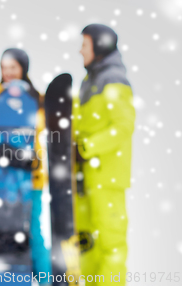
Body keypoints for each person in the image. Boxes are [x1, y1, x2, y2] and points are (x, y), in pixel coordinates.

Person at [0, 48, 51, 284]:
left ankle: (46, 279)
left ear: (23, 68)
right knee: (7, 234)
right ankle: (9, 279)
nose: (8, 73)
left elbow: (38, 130)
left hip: (32, 179)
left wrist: (21, 154)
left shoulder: (35, 99)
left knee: (32, 233)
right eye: (4, 68)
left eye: (13, 67)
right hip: (3, 181)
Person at [74, 24, 135, 286]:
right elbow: (83, 123)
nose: (80, 51)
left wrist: (88, 148)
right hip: (85, 179)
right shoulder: (90, 81)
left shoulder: (114, 80)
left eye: (84, 45)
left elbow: (123, 126)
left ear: (99, 47)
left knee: (110, 244)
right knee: (86, 243)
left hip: (106, 179)